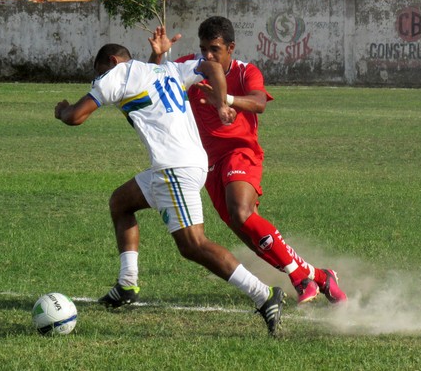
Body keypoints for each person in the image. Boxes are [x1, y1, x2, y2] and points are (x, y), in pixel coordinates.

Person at [54, 43, 285, 335]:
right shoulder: (167, 69)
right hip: (185, 163)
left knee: (193, 245)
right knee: (121, 202)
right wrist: (223, 100)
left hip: (173, 168)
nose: (99, 81)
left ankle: (263, 295)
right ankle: (127, 284)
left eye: (100, 73)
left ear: (112, 61)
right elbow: (212, 66)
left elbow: (76, 116)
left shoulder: (118, 74)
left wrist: (62, 110)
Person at [147, 17, 347, 305]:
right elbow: (151, 82)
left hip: (241, 153)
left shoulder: (245, 72)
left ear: (231, 47)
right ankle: (318, 275)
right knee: (248, 232)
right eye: (203, 49)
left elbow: (258, 103)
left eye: (215, 49)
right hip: (206, 164)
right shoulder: (191, 65)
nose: (208, 56)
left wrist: (223, 98)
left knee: (241, 212)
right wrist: (157, 54)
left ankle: (298, 277)